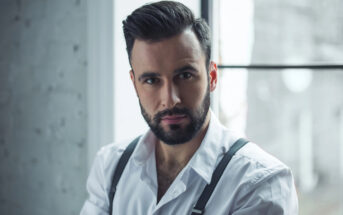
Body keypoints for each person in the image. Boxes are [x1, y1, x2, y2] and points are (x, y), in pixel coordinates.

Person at [80, 1, 298, 214]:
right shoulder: (110, 166)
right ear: (134, 84)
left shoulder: (259, 184)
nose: (170, 99)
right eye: (151, 80)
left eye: (185, 76)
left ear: (212, 76)